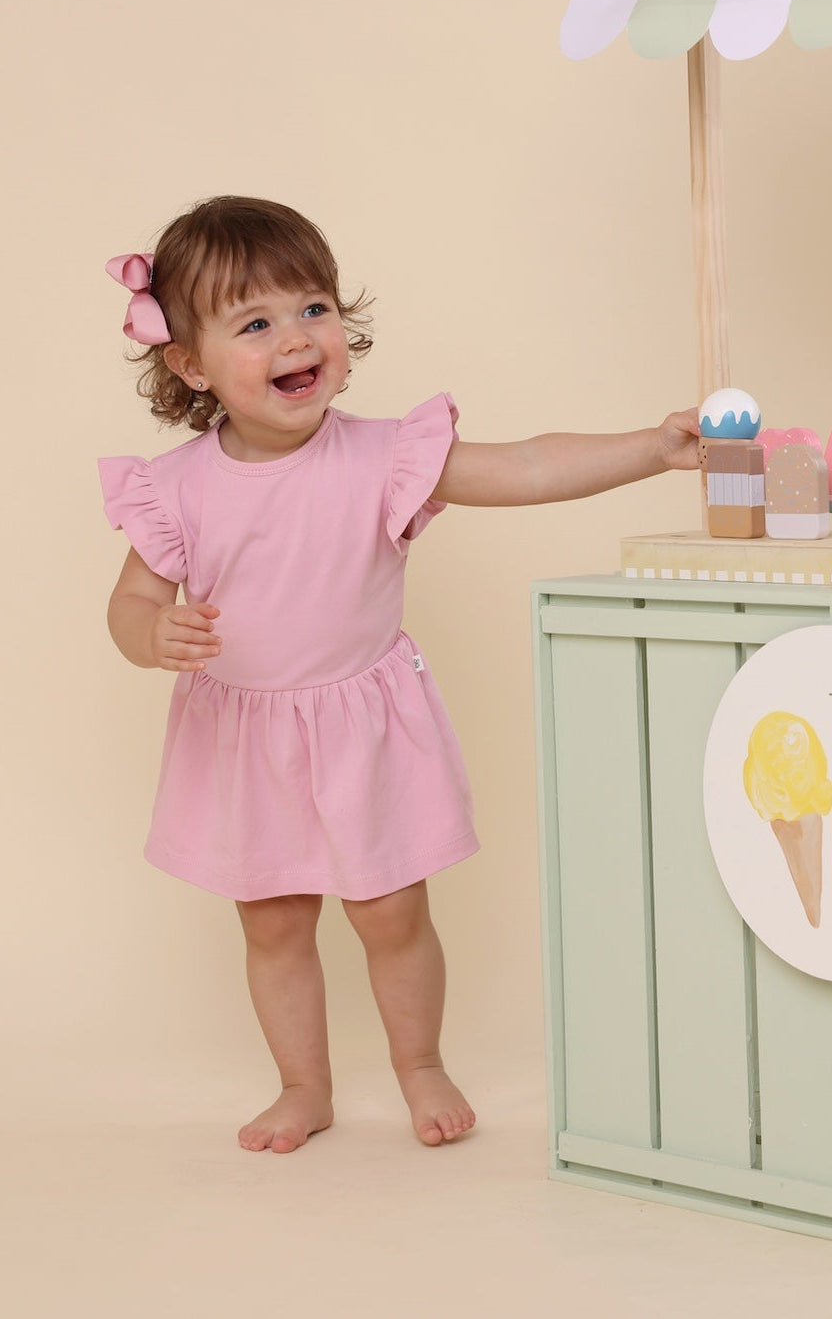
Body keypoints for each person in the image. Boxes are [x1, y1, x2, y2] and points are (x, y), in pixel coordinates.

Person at [99, 196, 700, 1153]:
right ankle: (304, 1086)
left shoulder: (382, 456)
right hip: (246, 736)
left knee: (390, 913)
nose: (296, 340)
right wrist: (153, 633)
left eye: (313, 310)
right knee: (275, 923)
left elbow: (531, 465)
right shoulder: (174, 489)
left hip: (360, 723)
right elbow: (129, 605)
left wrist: (653, 449)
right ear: (188, 362)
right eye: (255, 325)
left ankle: (419, 1063)